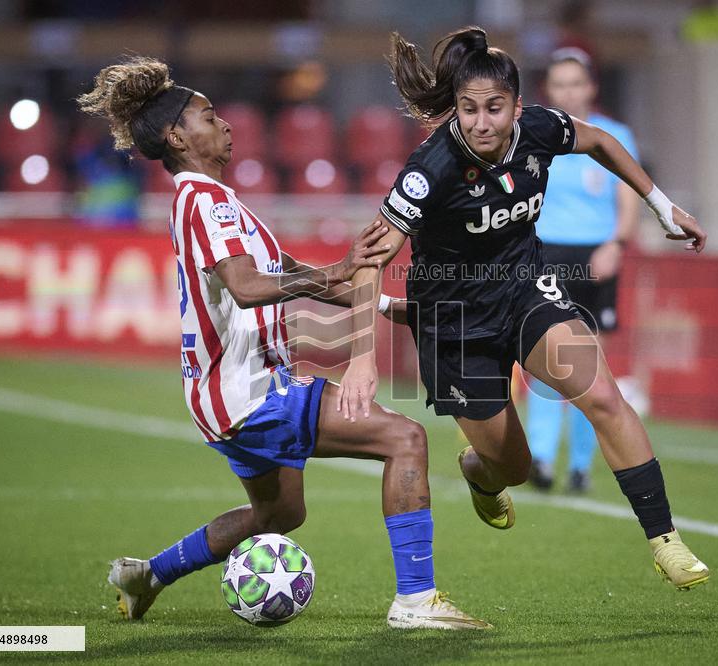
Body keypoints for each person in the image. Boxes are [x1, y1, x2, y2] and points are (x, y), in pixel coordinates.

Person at [77, 57, 489, 630]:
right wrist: (339, 269)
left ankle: (147, 574)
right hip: (249, 393)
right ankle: (415, 602)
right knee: (405, 439)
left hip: (233, 394)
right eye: (208, 116)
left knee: (279, 512)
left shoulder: (219, 202)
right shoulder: (203, 201)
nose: (225, 125)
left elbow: (294, 273)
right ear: (177, 136)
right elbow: (248, 289)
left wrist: (399, 310)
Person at [339, 27, 711, 591]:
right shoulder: (430, 170)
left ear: (517, 106)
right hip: (456, 326)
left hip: (526, 292)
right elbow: (369, 259)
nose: (480, 123)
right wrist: (361, 361)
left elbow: (603, 143)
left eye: (493, 109)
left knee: (604, 397)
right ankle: (480, 475)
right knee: (512, 466)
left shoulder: (540, 128)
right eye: (467, 110)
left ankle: (666, 541)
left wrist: (661, 206)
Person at [524, 46, 640, 494]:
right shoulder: (534, 134)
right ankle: (541, 459)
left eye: (576, 83)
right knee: (547, 362)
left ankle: (580, 466)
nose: (569, 92)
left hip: (598, 256)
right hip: (545, 254)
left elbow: (629, 200)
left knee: (593, 369)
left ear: (590, 87)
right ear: (548, 90)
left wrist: (617, 243)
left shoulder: (615, 136)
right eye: (560, 84)